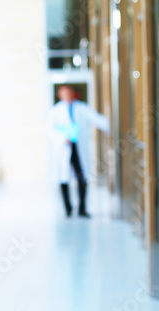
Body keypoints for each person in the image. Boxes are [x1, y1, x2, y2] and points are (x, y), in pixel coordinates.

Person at [47, 85, 109, 218]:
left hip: (79, 147)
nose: (67, 95)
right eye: (64, 93)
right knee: (63, 178)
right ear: (60, 95)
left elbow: (97, 119)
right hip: (64, 147)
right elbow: (49, 131)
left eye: (69, 92)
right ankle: (67, 208)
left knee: (82, 177)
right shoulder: (55, 111)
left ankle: (82, 208)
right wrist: (63, 138)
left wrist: (111, 126)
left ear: (72, 93)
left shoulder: (82, 108)